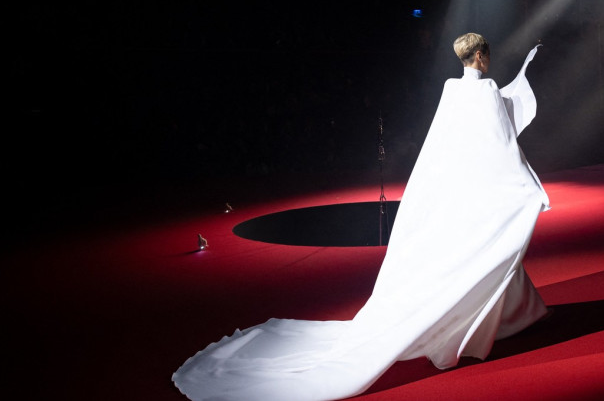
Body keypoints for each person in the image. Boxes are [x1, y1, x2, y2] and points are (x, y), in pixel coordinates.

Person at [173, 33, 550, 401]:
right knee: (488, 247)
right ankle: (497, 320)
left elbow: (449, 144)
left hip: (454, 188)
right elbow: (500, 142)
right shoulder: (483, 91)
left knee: (477, 253)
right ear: (482, 56)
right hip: (477, 188)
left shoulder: (452, 89)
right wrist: (530, 187)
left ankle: (512, 315)